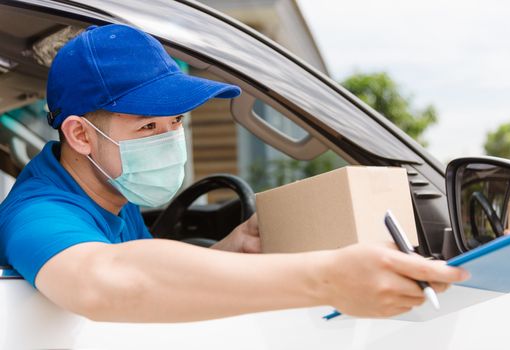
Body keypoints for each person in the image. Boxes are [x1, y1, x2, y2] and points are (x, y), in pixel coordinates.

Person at [0, 24, 468, 322]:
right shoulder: (38, 213)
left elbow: (139, 261)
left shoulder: (108, 194)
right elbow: (106, 281)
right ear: (80, 136)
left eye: (176, 121)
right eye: (148, 125)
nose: (170, 139)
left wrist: (231, 251)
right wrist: (327, 280)